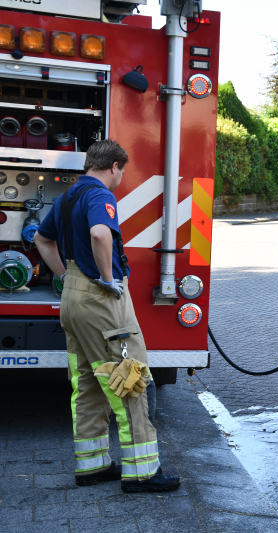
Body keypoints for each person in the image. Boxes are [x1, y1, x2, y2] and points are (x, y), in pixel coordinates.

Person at [33, 139, 180, 492]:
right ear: (114, 166)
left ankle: (93, 466)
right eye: (122, 171)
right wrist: (106, 278)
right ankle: (142, 473)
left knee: (86, 384)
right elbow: (100, 233)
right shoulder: (100, 195)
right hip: (101, 302)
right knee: (128, 379)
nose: (121, 178)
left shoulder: (68, 196)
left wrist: (65, 277)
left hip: (72, 299)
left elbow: (41, 239)